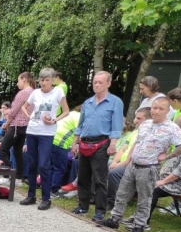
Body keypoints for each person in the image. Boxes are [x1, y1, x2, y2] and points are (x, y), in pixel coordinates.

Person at [101, 97, 181, 232]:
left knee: (144, 198)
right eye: (154, 108)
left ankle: (139, 225)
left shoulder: (172, 128)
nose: (157, 111)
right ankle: (114, 219)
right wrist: (129, 159)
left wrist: (166, 157)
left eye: (161, 109)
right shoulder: (145, 124)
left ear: (167, 110)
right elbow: (137, 142)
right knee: (122, 193)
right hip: (133, 165)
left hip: (149, 168)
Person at [71, 71, 125, 221]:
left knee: (100, 179)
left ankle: (100, 210)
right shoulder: (87, 103)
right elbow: (80, 125)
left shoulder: (115, 102)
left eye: (100, 82)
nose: (97, 85)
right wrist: (74, 142)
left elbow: (116, 126)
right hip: (84, 142)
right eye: (95, 82)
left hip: (102, 143)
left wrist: (113, 144)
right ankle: (83, 205)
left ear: (108, 83)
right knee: (82, 176)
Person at [19, 68, 70, 210]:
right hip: (32, 130)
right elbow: (24, 107)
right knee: (32, 163)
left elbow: (66, 111)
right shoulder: (35, 93)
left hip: (47, 133)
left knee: (43, 165)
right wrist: (28, 116)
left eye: (47, 80)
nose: (44, 82)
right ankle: (31, 195)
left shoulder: (58, 92)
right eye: (42, 79)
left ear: (53, 80)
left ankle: (46, 198)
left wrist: (54, 120)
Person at [148, 115, 181, 224]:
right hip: (178, 180)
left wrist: (163, 181)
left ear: (177, 128)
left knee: (153, 189)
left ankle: (142, 221)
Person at [106, 110, 148, 209]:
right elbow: (123, 149)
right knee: (100, 166)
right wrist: (115, 161)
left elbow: (133, 156)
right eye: (135, 117)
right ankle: (96, 196)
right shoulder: (135, 132)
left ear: (148, 120)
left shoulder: (147, 134)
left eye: (139, 118)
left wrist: (119, 164)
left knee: (114, 173)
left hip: (131, 164)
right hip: (121, 162)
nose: (135, 121)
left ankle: (112, 202)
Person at [0, 72, 35, 181]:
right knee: (17, 152)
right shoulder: (34, 92)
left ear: (24, 79)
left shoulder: (23, 93)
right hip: (26, 126)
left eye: (18, 80)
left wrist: (7, 123)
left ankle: (6, 175)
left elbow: (14, 110)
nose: (16, 83)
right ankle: (19, 177)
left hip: (16, 126)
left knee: (2, 150)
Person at [49, 105, 81, 195]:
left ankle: (47, 188)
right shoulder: (80, 118)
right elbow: (78, 133)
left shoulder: (71, 113)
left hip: (52, 138)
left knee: (52, 166)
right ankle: (53, 191)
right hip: (61, 142)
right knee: (60, 168)